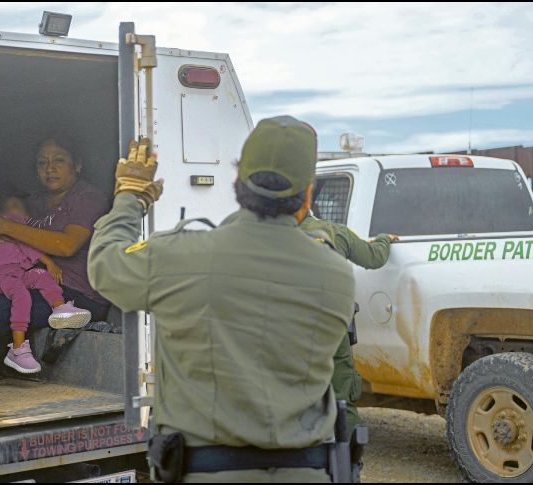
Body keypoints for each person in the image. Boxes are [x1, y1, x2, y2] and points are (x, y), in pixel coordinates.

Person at [88, 117, 355, 482]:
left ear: (237, 182)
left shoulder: (181, 256)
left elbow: (106, 265)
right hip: (307, 471)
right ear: (308, 194)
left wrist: (130, 198)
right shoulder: (336, 273)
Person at [0, 137, 110, 379]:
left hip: (77, 293)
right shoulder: (32, 202)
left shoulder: (87, 198)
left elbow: (66, 245)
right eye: (41, 162)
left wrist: (7, 227)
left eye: (59, 160)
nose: (49, 168)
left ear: (77, 165)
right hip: (29, 279)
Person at [301, 209, 399, 480]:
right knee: (344, 396)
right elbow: (374, 258)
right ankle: (352, 463)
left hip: (291, 332)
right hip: (334, 329)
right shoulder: (334, 232)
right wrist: (382, 239)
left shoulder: (276, 237)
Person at [0, 194, 92, 374]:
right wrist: (48, 260)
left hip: (16, 273)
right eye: (12, 205)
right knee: (21, 295)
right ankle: (17, 348)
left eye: (20, 206)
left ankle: (60, 307)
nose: (18, 210)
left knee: (41, 276)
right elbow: (25, 245)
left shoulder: (20, 227)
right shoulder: (7, 223)